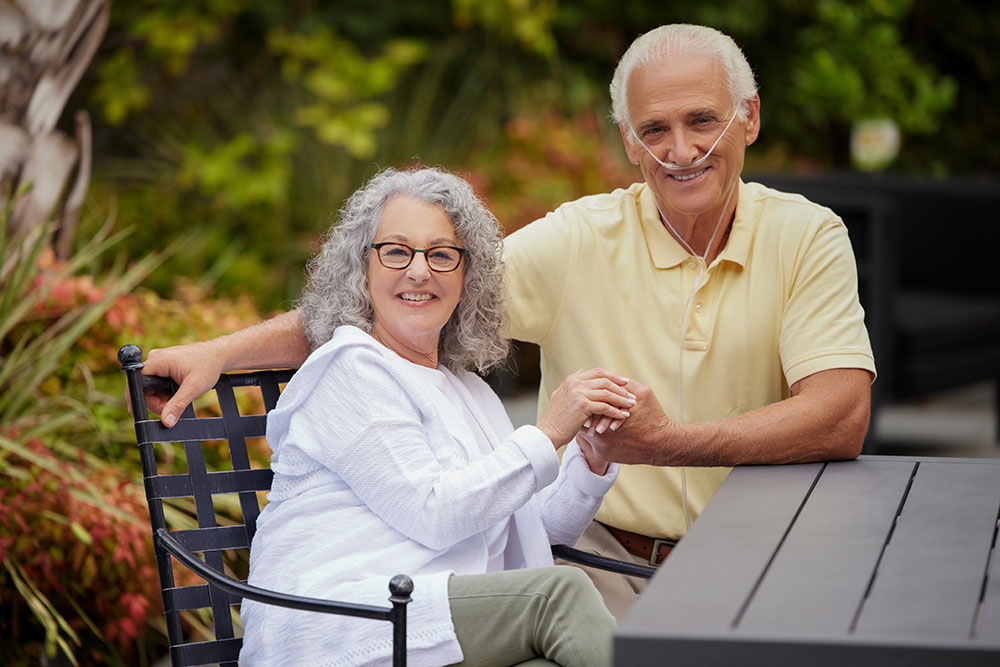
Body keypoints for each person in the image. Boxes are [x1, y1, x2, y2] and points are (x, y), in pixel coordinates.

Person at [142, 24, 875, 619]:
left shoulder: (807, 236)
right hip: (600, 567)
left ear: (748, 117)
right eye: (655, 129)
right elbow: (397, 297)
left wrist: (668, 443)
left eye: (702, 122)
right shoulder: (579, 237)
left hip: (761, 565)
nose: (680, 151)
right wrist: (221, 350)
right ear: (628, 141)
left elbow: (841, 414)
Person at [237, 166, 635, 667]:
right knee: (558, 596)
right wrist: (551, 430)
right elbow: (434, 511)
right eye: (397, 251)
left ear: (468, 276)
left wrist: (590, 461)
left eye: (442, 255)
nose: (420, 271)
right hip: (341, 621)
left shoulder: (469, 391)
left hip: (421, 619)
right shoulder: (351, 368)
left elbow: (530, 532)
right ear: (363, 268)